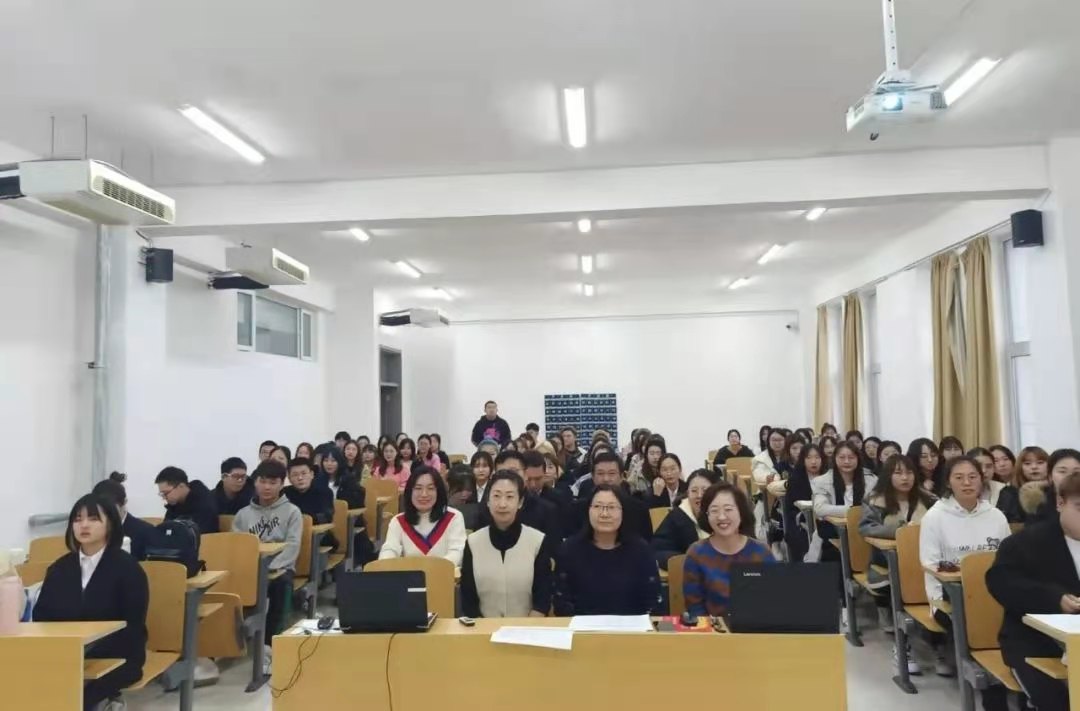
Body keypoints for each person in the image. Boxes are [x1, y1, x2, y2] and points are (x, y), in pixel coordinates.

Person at [34, 494, 149, 711]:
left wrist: (87, 650)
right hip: (66, 654)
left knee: (76, 696)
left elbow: (133, 626)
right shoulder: (59, 568)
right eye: (78, 519)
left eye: (94, 519)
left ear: (110, 524)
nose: (84, 525)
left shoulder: (128, 569)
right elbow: (42, 617)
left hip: (118, 655)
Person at [987, 464, 1080, 711]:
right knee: (1057, 700)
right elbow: (1001, 582)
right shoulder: (1024, 543)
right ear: (1060, 503)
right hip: (1035, 640)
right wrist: (1054, 598)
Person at [920, 456, 1011, 682]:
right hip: (949, 594)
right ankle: (982, 675)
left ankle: (1011, 673)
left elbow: (1009, 560)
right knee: (969, 619)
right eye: (959, 478)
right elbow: (930, 564)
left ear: (982, 479)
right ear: (948, 482)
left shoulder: (995, 516)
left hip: (993, 591)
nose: (967, 483)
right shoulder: (935, 517)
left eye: (972, 477)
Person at [858, 454, 934, 656]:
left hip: (925, 560)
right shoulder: (875, 500)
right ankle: (905, 641)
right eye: (898, 473)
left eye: (909, 472)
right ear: (888, 476)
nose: (905, 478)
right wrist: (901, 531)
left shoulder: (929, 499)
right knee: (902, 581)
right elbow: (866, 528)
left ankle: (934, 638)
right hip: (886, 562)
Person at [553, 484, 661, 616]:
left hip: (631, 625)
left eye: (611, 507)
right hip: (581, 626)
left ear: (624, 511)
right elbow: (561, 601)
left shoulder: (641, 550)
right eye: (597, 506)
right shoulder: (569, 550)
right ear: (588, 510)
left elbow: (653, 600)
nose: (604, 514)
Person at [460, 471, 553, 618]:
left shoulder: (537, 541)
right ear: (488, 501)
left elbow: (542, 599)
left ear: (520, 502)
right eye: (496, 496)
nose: (502, 504)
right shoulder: (473, 542)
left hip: (528, 627)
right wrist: (483, 628)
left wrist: (529, 627)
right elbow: (468, 599)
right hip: (482, 628)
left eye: (509, 497)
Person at [233, 460, 303, 651]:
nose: (267, 487)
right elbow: (237, 547)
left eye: (273, 483)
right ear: (255, 482)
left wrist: (270, 569)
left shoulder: (292, 512)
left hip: (280, 568)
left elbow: (293, 546)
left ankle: (270, 643)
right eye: (262, 481)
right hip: (251, 569)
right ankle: (231, 640)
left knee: (281, 586)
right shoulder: (243, 514)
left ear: (282, 484)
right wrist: (253, 568)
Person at [683, 482, 775, 617]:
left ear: (741, 512)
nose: (721, 517)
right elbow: (695, 609)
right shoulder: (696, 553)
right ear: (706, 515)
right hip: (713, 628)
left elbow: (772, 601)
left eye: (728, 509)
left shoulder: (761, 552)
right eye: (714, 510)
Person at [379, 465, 467, 566]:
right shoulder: (398, 521)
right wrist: (385, 564)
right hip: (410, 575)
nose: (424, 494)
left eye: (430, 488)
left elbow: (457, 552)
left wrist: (434, 570)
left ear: (438, 492)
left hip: (444, 574)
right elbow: (390, 549)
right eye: (418, 488)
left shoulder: (454, 517)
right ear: (410, 492)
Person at [572, 452, 653, 540]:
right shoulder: (578, 509)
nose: (606, 479)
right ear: (593, 477)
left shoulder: (638, 509)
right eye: (600, 473)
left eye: (612, 473)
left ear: (622, 477)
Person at [652, 469, 717, 569]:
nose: (699, 495)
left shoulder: (725, 516)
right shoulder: (678, 516)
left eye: (705, 490)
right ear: (687, 493)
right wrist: (689, 560)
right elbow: (658, 550)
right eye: (694, 491)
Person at [92, 472, 155, 561]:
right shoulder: (90, 529)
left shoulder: (145, 532)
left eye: (111, 510)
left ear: (124, 502)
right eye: (101, 510)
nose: (106, 515)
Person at [783, 443, 826, 563]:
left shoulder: (829, 477)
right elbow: (791, 508)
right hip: (801, 520)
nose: (813, 461)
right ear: (803, 460)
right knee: (799, 538)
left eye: (817, 457)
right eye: (809, 458)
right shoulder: (796, 479)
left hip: (825, 519)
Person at [283, 457, 337, 549]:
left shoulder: (325, 492)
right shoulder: (284, 494)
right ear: (289, 477)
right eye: (295, 475)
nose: (300, 478)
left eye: (304, 473)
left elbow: (326, 517)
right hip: (290, 538)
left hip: (319, 539)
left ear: (312, 474)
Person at [155, 466, 219, 534]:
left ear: (181, 486)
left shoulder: (204, 504)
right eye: (162, 494)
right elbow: (165, 529)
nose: (164, 498)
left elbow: (198, 534)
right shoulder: (174, 505)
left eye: (166, 493)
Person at [997, 445, 1050, 524]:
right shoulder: (1009, 493)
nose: (1034, 467)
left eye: (1040, 463)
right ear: (1020, 467)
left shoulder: (1056, 490)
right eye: (1027, 464)